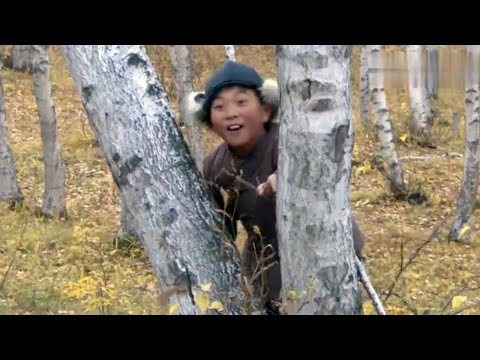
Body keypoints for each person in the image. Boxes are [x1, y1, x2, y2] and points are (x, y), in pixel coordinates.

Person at [187, 61, 365, 314]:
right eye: (219, 107)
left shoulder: (289, 140)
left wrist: (290, 180)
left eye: (241, 102)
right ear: (209, 120)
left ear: (265, 111)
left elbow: (323, 169)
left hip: (324, 253)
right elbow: (219, 228)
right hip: (265, 266)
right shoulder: (215, 164)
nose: (230, 113)